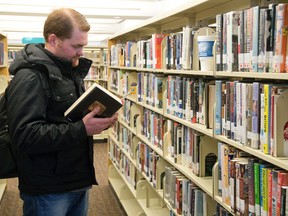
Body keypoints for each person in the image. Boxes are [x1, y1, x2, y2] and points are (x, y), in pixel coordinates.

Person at [6, 8, 118, 216]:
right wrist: (82, 129)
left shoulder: (69, 72)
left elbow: (67, 117)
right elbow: (25, 136)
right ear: (54, 39)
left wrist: (99, 117)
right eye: (76, 46)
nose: (81, 52)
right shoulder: (30, 78)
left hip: (76, 179)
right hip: (48, 188)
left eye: (83, 46)